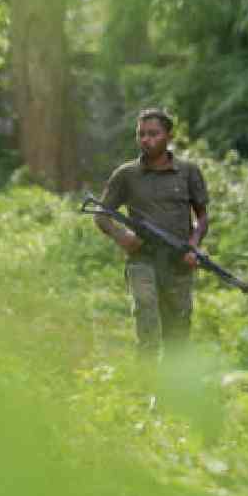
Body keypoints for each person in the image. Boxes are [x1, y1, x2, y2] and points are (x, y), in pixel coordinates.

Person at [94, 108, 209, 359]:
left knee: (178, 334)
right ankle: (145, 377)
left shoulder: (188, 172)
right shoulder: (126, 175)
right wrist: (123, 237)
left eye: (153, 134)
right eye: (141, 134)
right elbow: (101, 214)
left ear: (169, 136)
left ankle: (173, 381)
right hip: (142, 259)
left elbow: (202, 217)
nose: (146, 139)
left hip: (178, 263)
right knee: (146, 313)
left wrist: (193, 245)